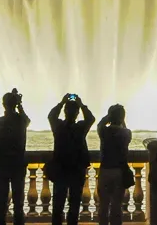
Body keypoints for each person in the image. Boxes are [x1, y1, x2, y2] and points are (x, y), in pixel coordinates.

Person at [47, 94, 95, 225]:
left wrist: (61, 102)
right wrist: (81, 104)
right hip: (77, 170)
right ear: (77, 113)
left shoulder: (58, 126)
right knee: (74, 205)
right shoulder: (80, 128)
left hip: (60, 170)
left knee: (58, 205)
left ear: (65, 112)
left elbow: (51, 116)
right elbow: (91, 118)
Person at [0, 89, 31, 225]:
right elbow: (27, 119)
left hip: (2, 164)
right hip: (18, 164)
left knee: (1, 202)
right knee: (18, 202)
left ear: (3, 104)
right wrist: (19, 104)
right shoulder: (21, 121)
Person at [96, 104, 131, 225]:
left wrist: (109, 117)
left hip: (105, 170)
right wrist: (121, 120)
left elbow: (100, 124)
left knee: (103, 205)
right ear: (122, 117)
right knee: (117, 205)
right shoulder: (126, 133)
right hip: (119, 171)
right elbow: (124, 129)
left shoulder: (104, 131)